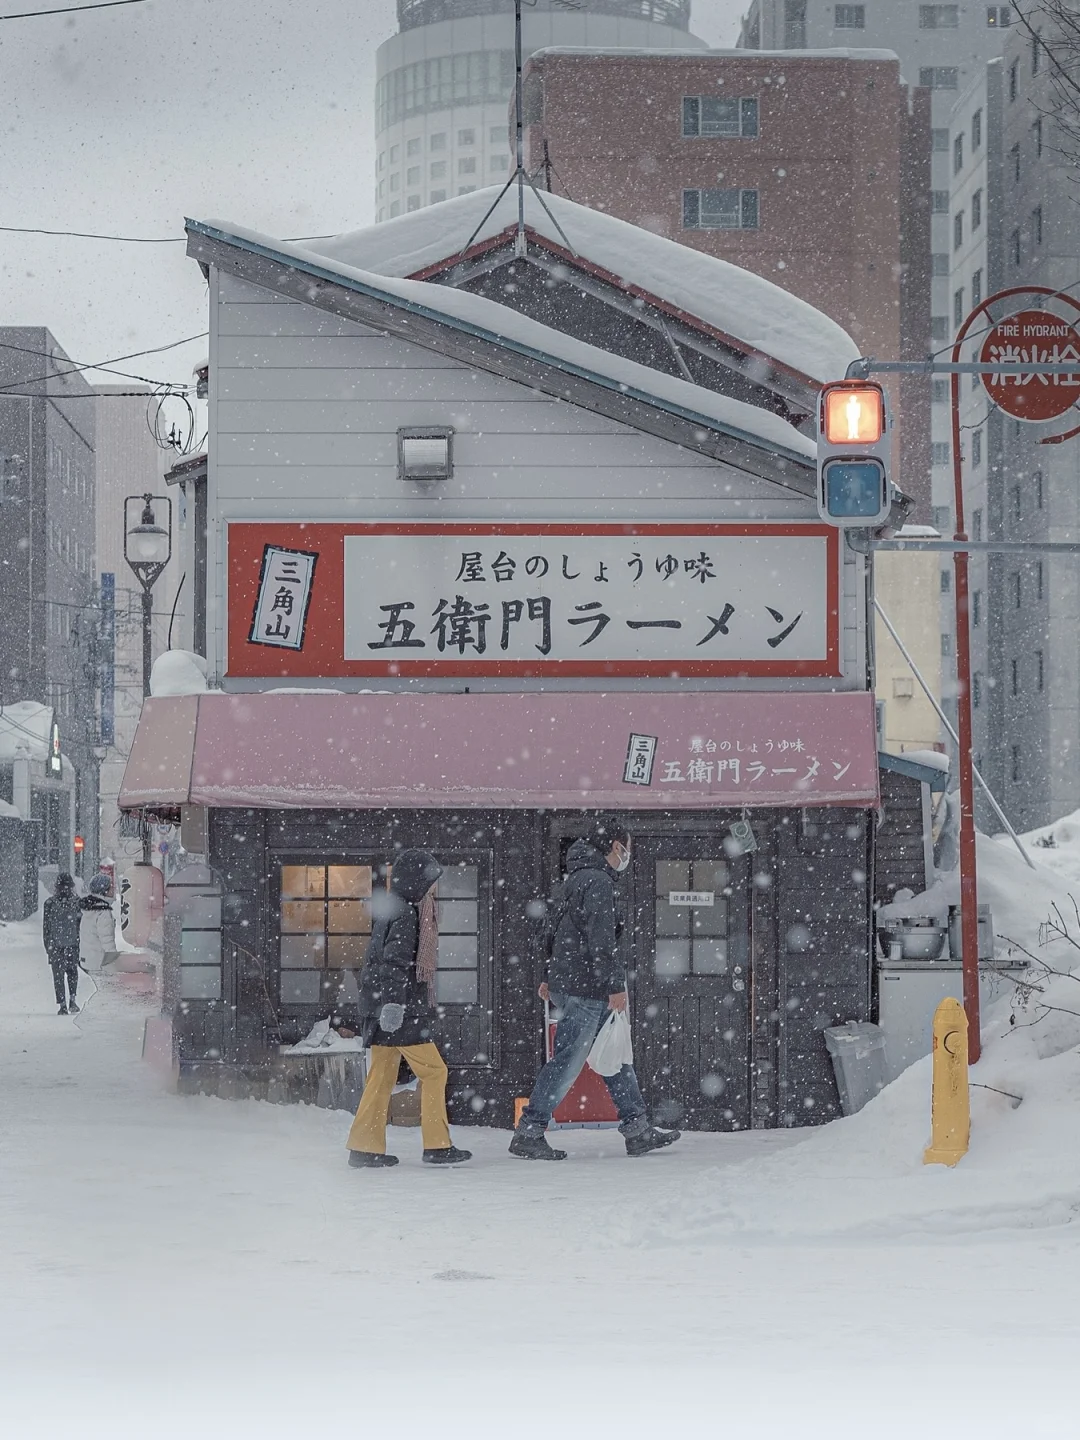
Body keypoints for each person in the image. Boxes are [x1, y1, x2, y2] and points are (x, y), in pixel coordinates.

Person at [509, 821, 681, 1162]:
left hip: (574, 982)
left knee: (614, 1054)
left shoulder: (574, 878)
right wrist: (615, 985)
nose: (627, 855)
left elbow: (553, 929)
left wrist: (549, 975)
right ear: (616, 846)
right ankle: (529, 1131)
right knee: (568, 1062)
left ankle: (637, 1129)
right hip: (588, 986)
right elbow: (600, 940)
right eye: (626, 847)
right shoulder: (599, 882)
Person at [344, 848, 472, 1169]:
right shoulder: (405, 914)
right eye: (430, 881)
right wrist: (393, 1005)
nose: (433, 888)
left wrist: (386, 1004)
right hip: (399, 1010)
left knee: (382, 1076)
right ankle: (437, 1145)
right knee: (434, 1072)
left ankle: (364, 1146)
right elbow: (394, 963)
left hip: (383, 1007)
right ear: (416, 881)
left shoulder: (396, 909)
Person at [43, 873, 83, 1016]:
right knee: (72, 972)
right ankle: (72, 1000)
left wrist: (48, 947)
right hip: (73, 944)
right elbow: (80, 926)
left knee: (58, 976)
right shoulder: (77, 902)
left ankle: (63, 1005)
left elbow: (46, 928)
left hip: (56, 945)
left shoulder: (50, 903)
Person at [79, 873, 115, 971]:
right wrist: (113, 962)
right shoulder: (102, 911)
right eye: (111, 886)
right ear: (104, 890)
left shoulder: (88, 908)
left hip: (88, 959)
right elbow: (107, 940)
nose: (113, 889)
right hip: (99, 962)